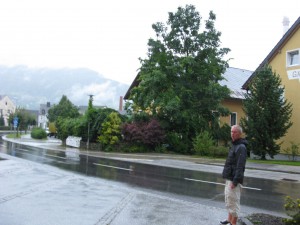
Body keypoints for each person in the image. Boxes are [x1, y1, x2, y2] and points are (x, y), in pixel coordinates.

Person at [220, 125, 248, 225]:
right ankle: (229, 219)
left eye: (235, 132)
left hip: (234, 179)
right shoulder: (235, 145)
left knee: (234, 202)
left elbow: (240, 166)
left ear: (240, 134)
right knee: (229, 199)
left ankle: (233, 223)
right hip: (230, 177)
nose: (232, 134)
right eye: (231, 132)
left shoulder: (241, 147)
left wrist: (235, 182)